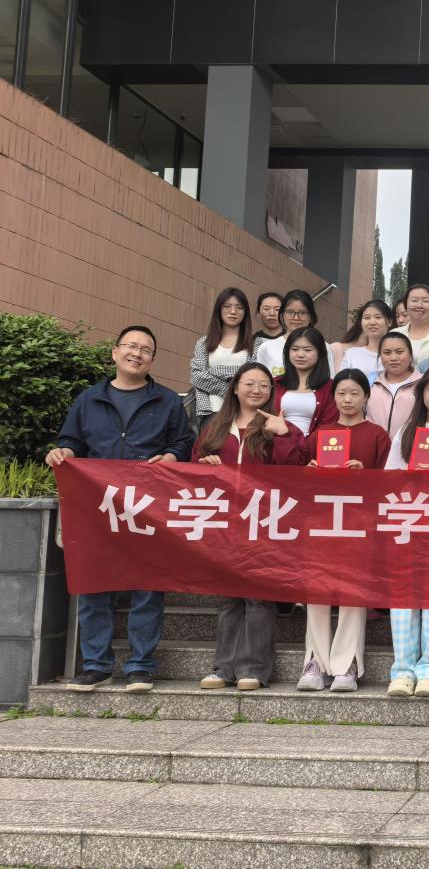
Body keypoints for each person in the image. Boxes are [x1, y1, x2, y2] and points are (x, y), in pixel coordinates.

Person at [48, 326, 195, 693]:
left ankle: (140, 666)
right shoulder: (89, 399)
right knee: (94, 584)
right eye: (131, 346)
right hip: (98, 506)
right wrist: (64, 452)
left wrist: (172, 456)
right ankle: (96, 665)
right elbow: (71, 440)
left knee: (148, 586)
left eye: (145, 349)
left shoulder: (167, 401)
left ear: (152, 360)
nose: (137, 353)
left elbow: (183, 442)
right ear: (115, 353)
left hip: (148, 506)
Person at [193, 362, 305, 691]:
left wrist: (283, 435)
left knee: (258, 598)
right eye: (250, 383)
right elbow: (193, 469)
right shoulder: (215, 426)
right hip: (224, 524)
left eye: (264, 385)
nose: (257, 390)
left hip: (264, 522)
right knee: (227, 598)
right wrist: (204, 464)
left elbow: (296, 469)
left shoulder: (278, 425)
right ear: (235, 387)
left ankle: (253, 669)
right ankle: (222, 668)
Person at [296, 368, 390, 693]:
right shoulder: (320, 433)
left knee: (353, 591)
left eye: (354, 393)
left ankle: (347, 663)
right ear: (333, 397)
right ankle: (314, 661)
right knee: (317, 590)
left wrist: (366, 473)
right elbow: (302, 482)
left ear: (366, 397)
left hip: (359, 524)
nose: (347, 400)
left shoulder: (377, 436)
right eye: (341, 393)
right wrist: (309, 472)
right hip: (321, 523)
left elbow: (389, 483)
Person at [191, 287, 254, 430]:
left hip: (244, 412)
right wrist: (231, 389)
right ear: (219, 310)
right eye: (227, 306)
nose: (233, 311)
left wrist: (214, 372)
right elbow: (197, 376)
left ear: (245, 312)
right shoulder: (204, 343)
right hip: (211, 412)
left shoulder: (255, 344)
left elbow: (254, 377)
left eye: (239, 307)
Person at [271, 326, 337, 435]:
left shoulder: (332, 388)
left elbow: (329, 426)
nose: (300, 355)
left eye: (307, 350)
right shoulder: (275, 383)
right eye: (294, 349)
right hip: (279, 443)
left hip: (314, 444)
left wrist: (297, 439)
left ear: (320, 353)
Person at [254, 290, 335, 376]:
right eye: (290, 312)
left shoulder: (323, 346)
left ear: (311, 317)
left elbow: (330, 380)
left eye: (302, 312)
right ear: (282, 315)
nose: (296, 318)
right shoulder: (267, 348)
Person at [367, 330, 423, 442]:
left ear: (410, 355)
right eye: (387, 353)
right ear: (380, 356)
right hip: (374, 448)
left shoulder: (423, 383)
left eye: (399, 352)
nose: (393, 358)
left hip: (408, 448)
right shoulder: (370, 382)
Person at [339, 300, 392, 384]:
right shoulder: (351, 354)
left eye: (378, 317)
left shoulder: (397, 354)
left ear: (389, 322)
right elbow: (342, 384)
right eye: (367, 318)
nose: (372, 322)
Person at [401, 283, 429, 367]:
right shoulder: (396, 333)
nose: (419, 305)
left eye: (425, 301)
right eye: (414, 300)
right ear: (406, 305)